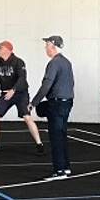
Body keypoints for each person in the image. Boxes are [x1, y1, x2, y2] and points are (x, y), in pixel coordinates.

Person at [0, 40, 44, 154]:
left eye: (1, 48)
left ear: (8, 50)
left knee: (27, 117)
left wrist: (13, 90)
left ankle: (39, 144)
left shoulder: (19, 62)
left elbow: (22, 79)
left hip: (20, 94)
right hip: (5, 94)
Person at [29, 36, 74, 180]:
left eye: (47, 45)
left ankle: (59, 170)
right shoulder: (66, 62)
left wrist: (34, 102)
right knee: (61, 134)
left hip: (57, 103)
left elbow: (46, 85)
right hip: (67, 102)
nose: (45, 48)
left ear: (53, 46)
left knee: (55, 137)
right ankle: (65, 167)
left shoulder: (54, 64)